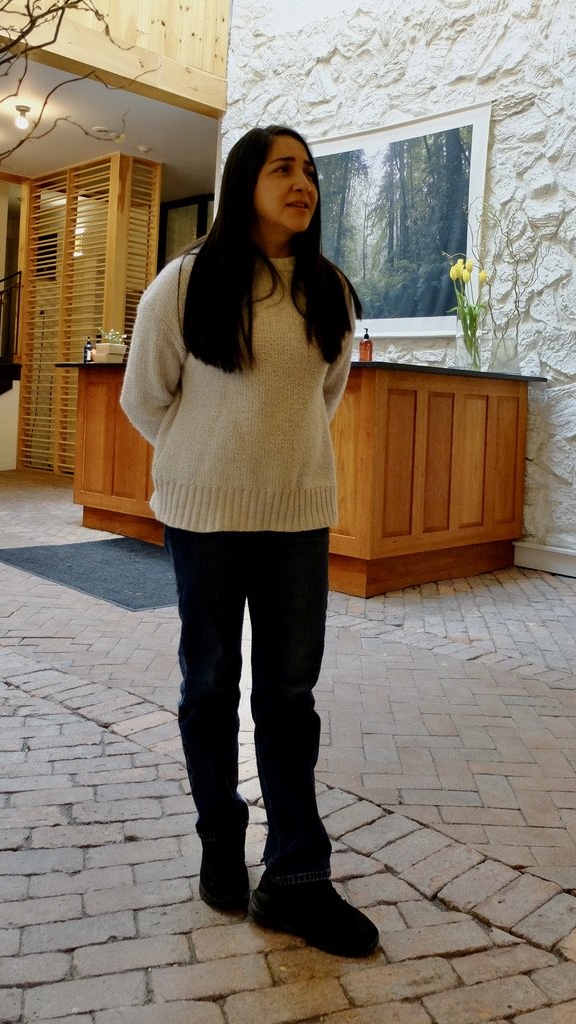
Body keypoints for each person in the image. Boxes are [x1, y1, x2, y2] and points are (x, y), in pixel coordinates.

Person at [120, 124, 379, 959]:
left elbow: (322, 395)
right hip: (204, 520)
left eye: (308, 171)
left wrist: (275, 467)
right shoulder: (186, 283)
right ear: (245, 182)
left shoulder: (329, 288)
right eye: (282, 168)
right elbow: (144, 399)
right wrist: (210, 462)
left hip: (297, 519)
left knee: (288, 699)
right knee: (209, 685)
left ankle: (296, 878)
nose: (302, 182)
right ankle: (220, 840)